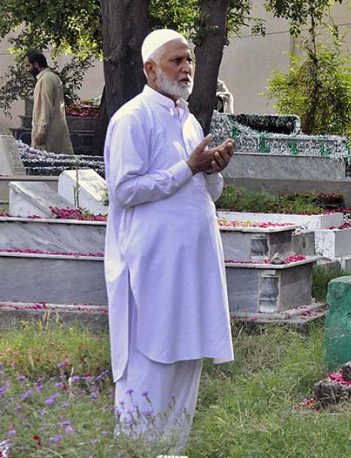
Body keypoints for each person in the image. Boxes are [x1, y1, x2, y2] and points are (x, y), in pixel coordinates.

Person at [103, 29, 235, 452]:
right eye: (176, 60)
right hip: (153, 266)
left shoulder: (190, 120)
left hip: (193, 264)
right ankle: (137, 449)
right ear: (150, 69)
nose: (186, 68)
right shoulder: (131, 118)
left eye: (189, 60)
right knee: (152, 360)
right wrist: (188, 167)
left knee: (187, 358)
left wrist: (212, 168)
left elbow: (207, 194)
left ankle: (172, 450)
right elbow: (124, 191)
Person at [23, 51, 74, 154]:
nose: (26, 70)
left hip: (47, 133)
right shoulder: (53, 77)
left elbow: (46, 105)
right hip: (56, 130)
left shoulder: (45, 80)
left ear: (36, 64)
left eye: (28, 66)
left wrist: (42, 130)